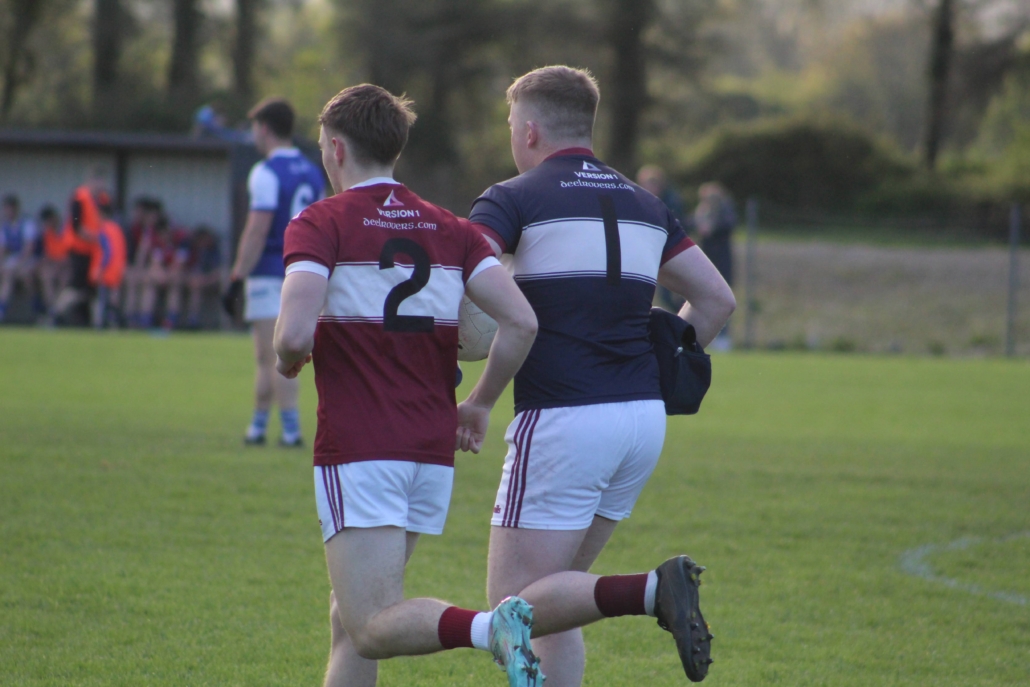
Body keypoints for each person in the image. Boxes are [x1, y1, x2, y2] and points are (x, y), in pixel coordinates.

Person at [467, 66, 736, 686]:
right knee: (559, 598)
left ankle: (652, 590)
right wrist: (657, 364)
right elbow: (716, 300)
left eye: (511, 126)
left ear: (529, 131)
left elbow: (465, 273)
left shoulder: (512, 196)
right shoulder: (647, 204)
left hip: (564, 417)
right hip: (641, 420)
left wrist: (471, 382)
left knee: (512, 606)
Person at [274, 84, 542, 687]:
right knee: (350, 619)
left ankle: (490, 629)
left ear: (336, 148)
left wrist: (290, 358)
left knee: (371, 625)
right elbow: (522, 322)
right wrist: (479, 404)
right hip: (429, 447)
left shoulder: (320, 222)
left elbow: (291, 335)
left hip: (361, 445)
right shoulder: (452, 228)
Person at [229, 96, 324, 447]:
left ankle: (288, 431)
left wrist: (237, 276)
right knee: (285, 355)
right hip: (303, 271)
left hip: (270, 271)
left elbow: (257, 230)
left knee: (269, 357)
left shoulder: (265, 172)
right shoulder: (312, 170)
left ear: (265, 129)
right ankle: (260, 427)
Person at [637, 165, 688, 312]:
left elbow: (678, 227)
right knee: (664, 295)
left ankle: (683, 319)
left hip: (671, 251)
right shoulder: (645, 201)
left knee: (675, 294)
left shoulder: (670, 202)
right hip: (656, 252)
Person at [693, 182, 737, 351]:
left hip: (721, 261)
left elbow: (728, 226)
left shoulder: (724, 212)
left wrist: (712, 228)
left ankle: (723, 337)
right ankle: (706, 335)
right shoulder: (701, 211)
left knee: (723, 300)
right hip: (706, 260)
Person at [89, 197, 128, 328]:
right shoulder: (117, 229)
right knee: (114, 299)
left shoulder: (104, 229)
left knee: (102, 299)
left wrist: (100, 268)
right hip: (117, 270)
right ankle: (114, 324)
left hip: (106, 271)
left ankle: (100, 324)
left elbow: (107, 251)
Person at [0, 194, 39, 322]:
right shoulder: (4, 227)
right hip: (13, 262)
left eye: (11, 208)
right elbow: (2, 249)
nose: (9, 212)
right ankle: (2, 309)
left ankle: (37, 309)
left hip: (27, 260)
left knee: (26, 276)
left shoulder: (26, 224)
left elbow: (29, 248)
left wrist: (19, 263)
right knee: (7, 275)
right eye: (6, 209)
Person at [181, 226, 223, 329]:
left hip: (206, 280)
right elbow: (180, 266)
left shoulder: (212, 250)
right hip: (187, 278)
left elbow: (218, 271)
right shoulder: (188, 247)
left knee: (223, 279)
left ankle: (224, 321)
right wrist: (190, 278)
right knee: (193, 286)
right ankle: (190, 320)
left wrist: (204, 280)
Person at [35, 205, 72, 323]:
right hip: (54, 266)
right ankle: (51, 311)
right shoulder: (47, 234)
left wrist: (59, 264)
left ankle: (57, 312)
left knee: (64, 280)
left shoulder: (67, 231)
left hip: (66, 266)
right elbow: (47, 256)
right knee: (46, 276)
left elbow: (70, 255)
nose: (48, 224)